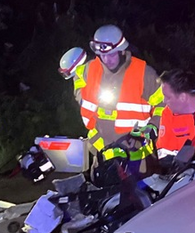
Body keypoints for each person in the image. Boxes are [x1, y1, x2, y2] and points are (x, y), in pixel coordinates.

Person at [59, 25, 164, 163]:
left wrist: (153, 125)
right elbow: (77, 75)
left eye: (111, 54)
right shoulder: (90, 69)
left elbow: (164, 103)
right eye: (102, 55)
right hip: (102, 153)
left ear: (121, 50)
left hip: (138, 156)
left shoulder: (144, 73)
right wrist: (80, 95)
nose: (107, 60)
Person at [157, 69, 195, 160]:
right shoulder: (168, 114)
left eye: (167, 97)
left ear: (183, 97)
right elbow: (164, 150)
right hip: (186, 172)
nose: (164, 101)